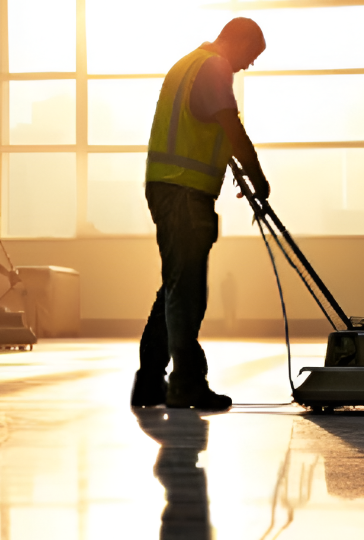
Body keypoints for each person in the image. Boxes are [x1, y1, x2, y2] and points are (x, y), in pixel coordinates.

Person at [131, 18, 270, 409]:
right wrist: (257, 176)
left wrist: (233, 167)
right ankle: (187, 384)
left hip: (168, 186)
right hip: (184, 192)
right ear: (238, 41)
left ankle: (150, 383)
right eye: (251, 55)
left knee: (176, 286)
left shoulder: (186, 65)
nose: (249, 65)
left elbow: (205, 126)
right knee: (188, 291)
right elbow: (230, 125)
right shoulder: (214, 66)